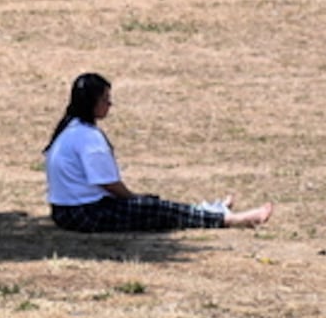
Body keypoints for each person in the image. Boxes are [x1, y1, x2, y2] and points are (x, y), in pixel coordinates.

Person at [43, 73, 274, 232]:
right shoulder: (88, 137)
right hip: (85, 214)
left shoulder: (69, 128)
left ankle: (211, 209)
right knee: (153, 209)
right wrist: (134, 199)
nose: (109, 105)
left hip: (63, 213)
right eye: (105, 100)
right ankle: (230, 219)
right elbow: (108, 183)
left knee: (153, 207)